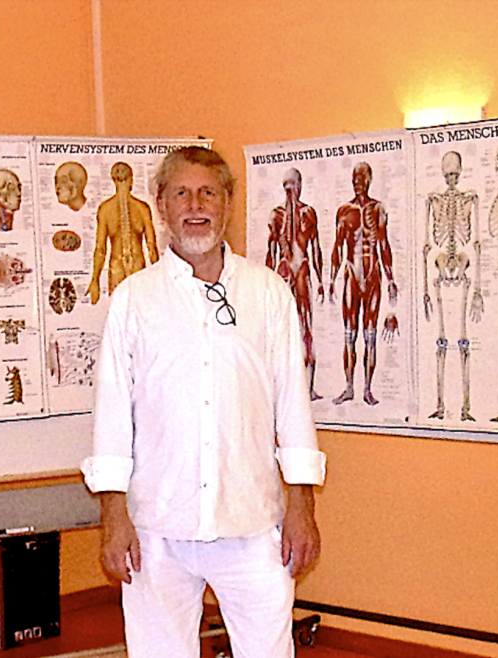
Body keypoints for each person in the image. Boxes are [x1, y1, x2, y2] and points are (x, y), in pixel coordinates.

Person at [81, 146, 325, 658]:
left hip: (252, 523)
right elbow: (112, 417)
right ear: (161, 206)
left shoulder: (268, 293)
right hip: (156, 529)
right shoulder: (134, 300)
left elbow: (293, 408)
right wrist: (114, 518)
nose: (196, 206)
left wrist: (302, 508)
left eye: (208, 193)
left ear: (227, 203)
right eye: (182, 193)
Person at [328, 162, 398, 406]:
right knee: (349, 334)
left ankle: (367, 389)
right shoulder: (344, 211)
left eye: (361, 177)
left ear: (369, 180)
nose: (357, 182)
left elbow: (384, 244)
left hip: (373, 275)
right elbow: (338, 246)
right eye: (354, 177)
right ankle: (349, 387)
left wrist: (391, 279)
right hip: (351, 275)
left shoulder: (378, 209)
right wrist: (331, 278)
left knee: (370, 335)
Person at [265, 168, 324, 400]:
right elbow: (271, 250)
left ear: (300, 185)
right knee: (278, 328)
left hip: (302, 270)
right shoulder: (276, 215)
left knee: (306, 325)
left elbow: (315, 247)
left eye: (293, 184)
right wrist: (266, 282)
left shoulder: (308, 213)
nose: (290, 190)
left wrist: (321, 280)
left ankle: (309, 387)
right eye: (286, 185)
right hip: (283, 271)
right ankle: (280, 389)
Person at [87, 162, 159, 305]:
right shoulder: (141, 208)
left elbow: (100, 249)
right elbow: (151, 247)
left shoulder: (106, 209)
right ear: (131, 179)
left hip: (118, 268)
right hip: (134, 265)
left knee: (122, 311)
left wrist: (95, 280)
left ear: (113, 180)